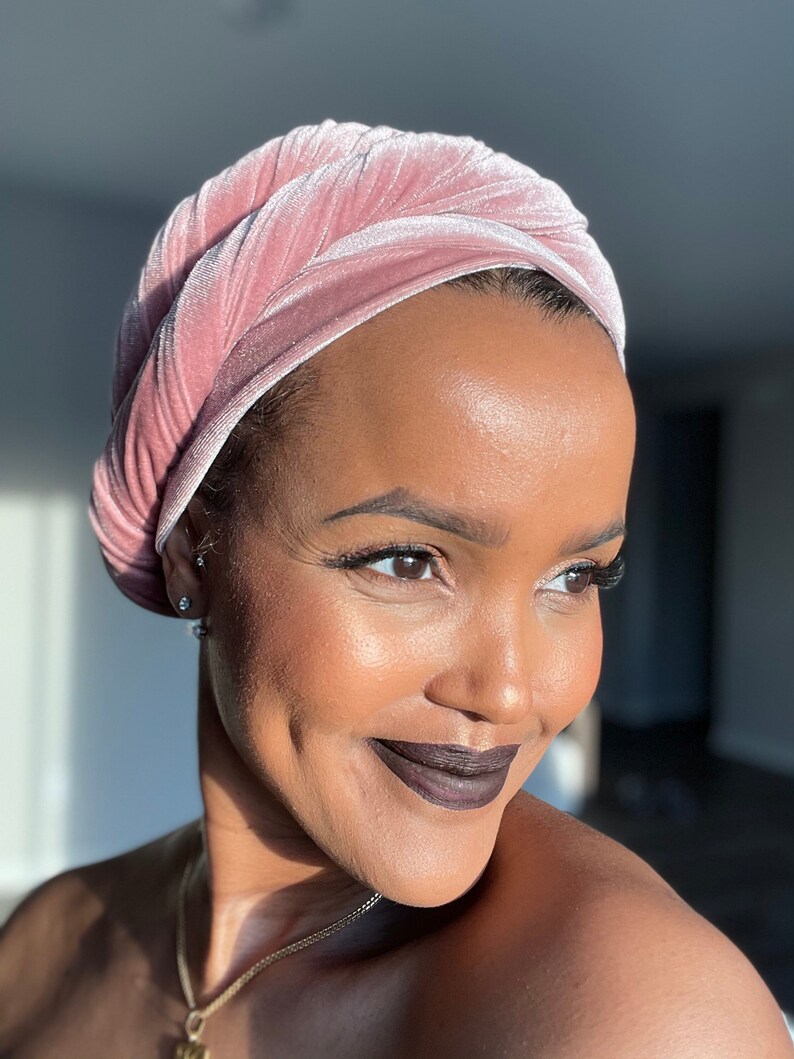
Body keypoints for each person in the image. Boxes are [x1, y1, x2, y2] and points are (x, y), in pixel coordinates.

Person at [1, 121, 790, 1059]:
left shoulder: (637, 1018)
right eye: (408, 561)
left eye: (576, 576)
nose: (509, 693)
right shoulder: (42, 948)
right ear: (189, 553)